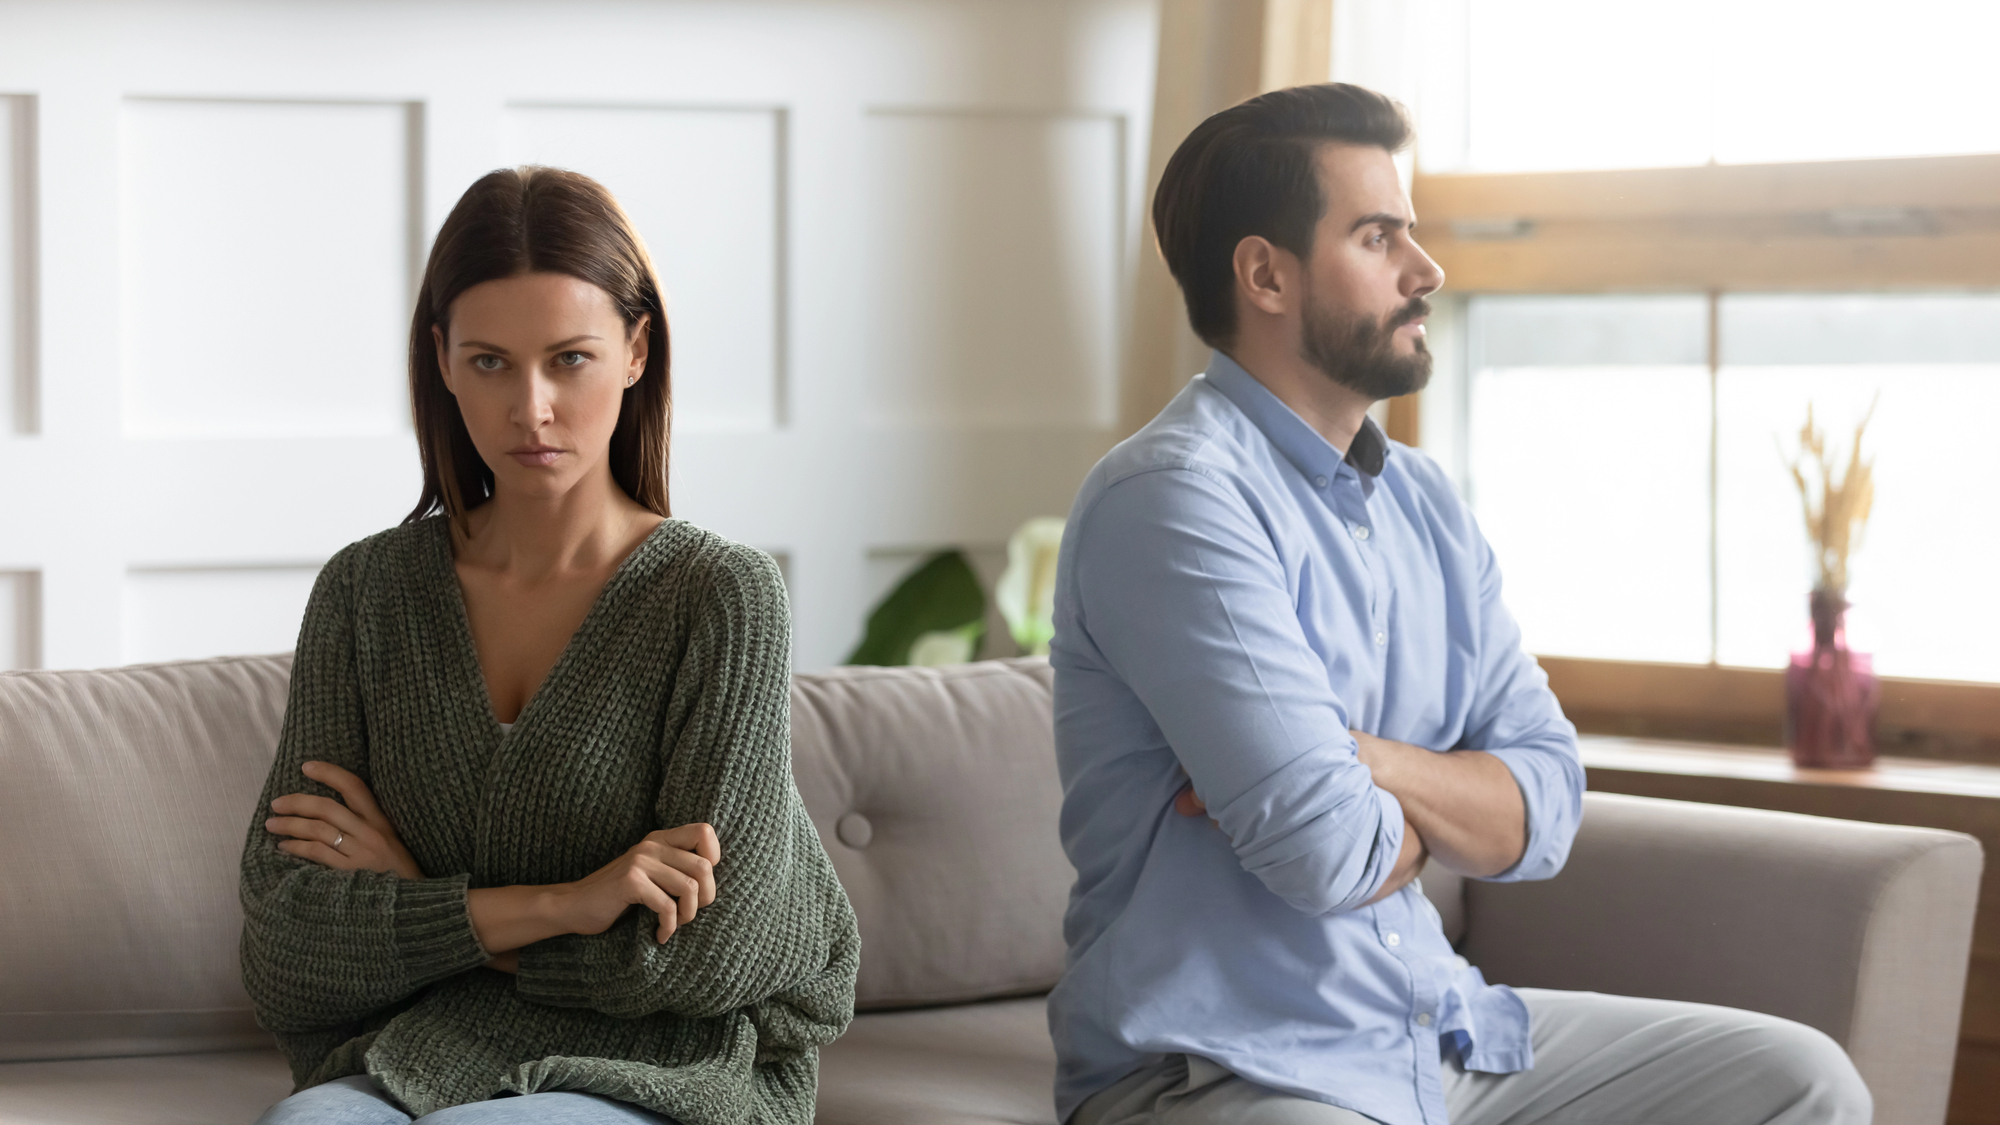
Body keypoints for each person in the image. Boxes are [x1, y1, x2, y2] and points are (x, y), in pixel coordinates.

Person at [1045, 84, 1871, 1125]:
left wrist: (1361, 757)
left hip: (1438, 1032)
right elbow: (1325, 853)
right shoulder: (1172, 499)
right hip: (1234, 1068)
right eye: (1378, 236)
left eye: (1413, 233)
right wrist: (1445, 798)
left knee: (1800, 1083)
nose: (1426, 271)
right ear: (1264, 274)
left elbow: (1547, 805)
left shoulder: (1422, 501)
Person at [241, 167, 859, 1125]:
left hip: (666, 1071)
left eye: (568, 358)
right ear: (441, 358)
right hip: (418, 1049)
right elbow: (286, 946)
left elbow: (712, 949)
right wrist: (570, 903)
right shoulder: (364, 593)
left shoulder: (721, 597)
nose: (530, 408)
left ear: (636, 351)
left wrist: (428, 907)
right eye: (490, 361)